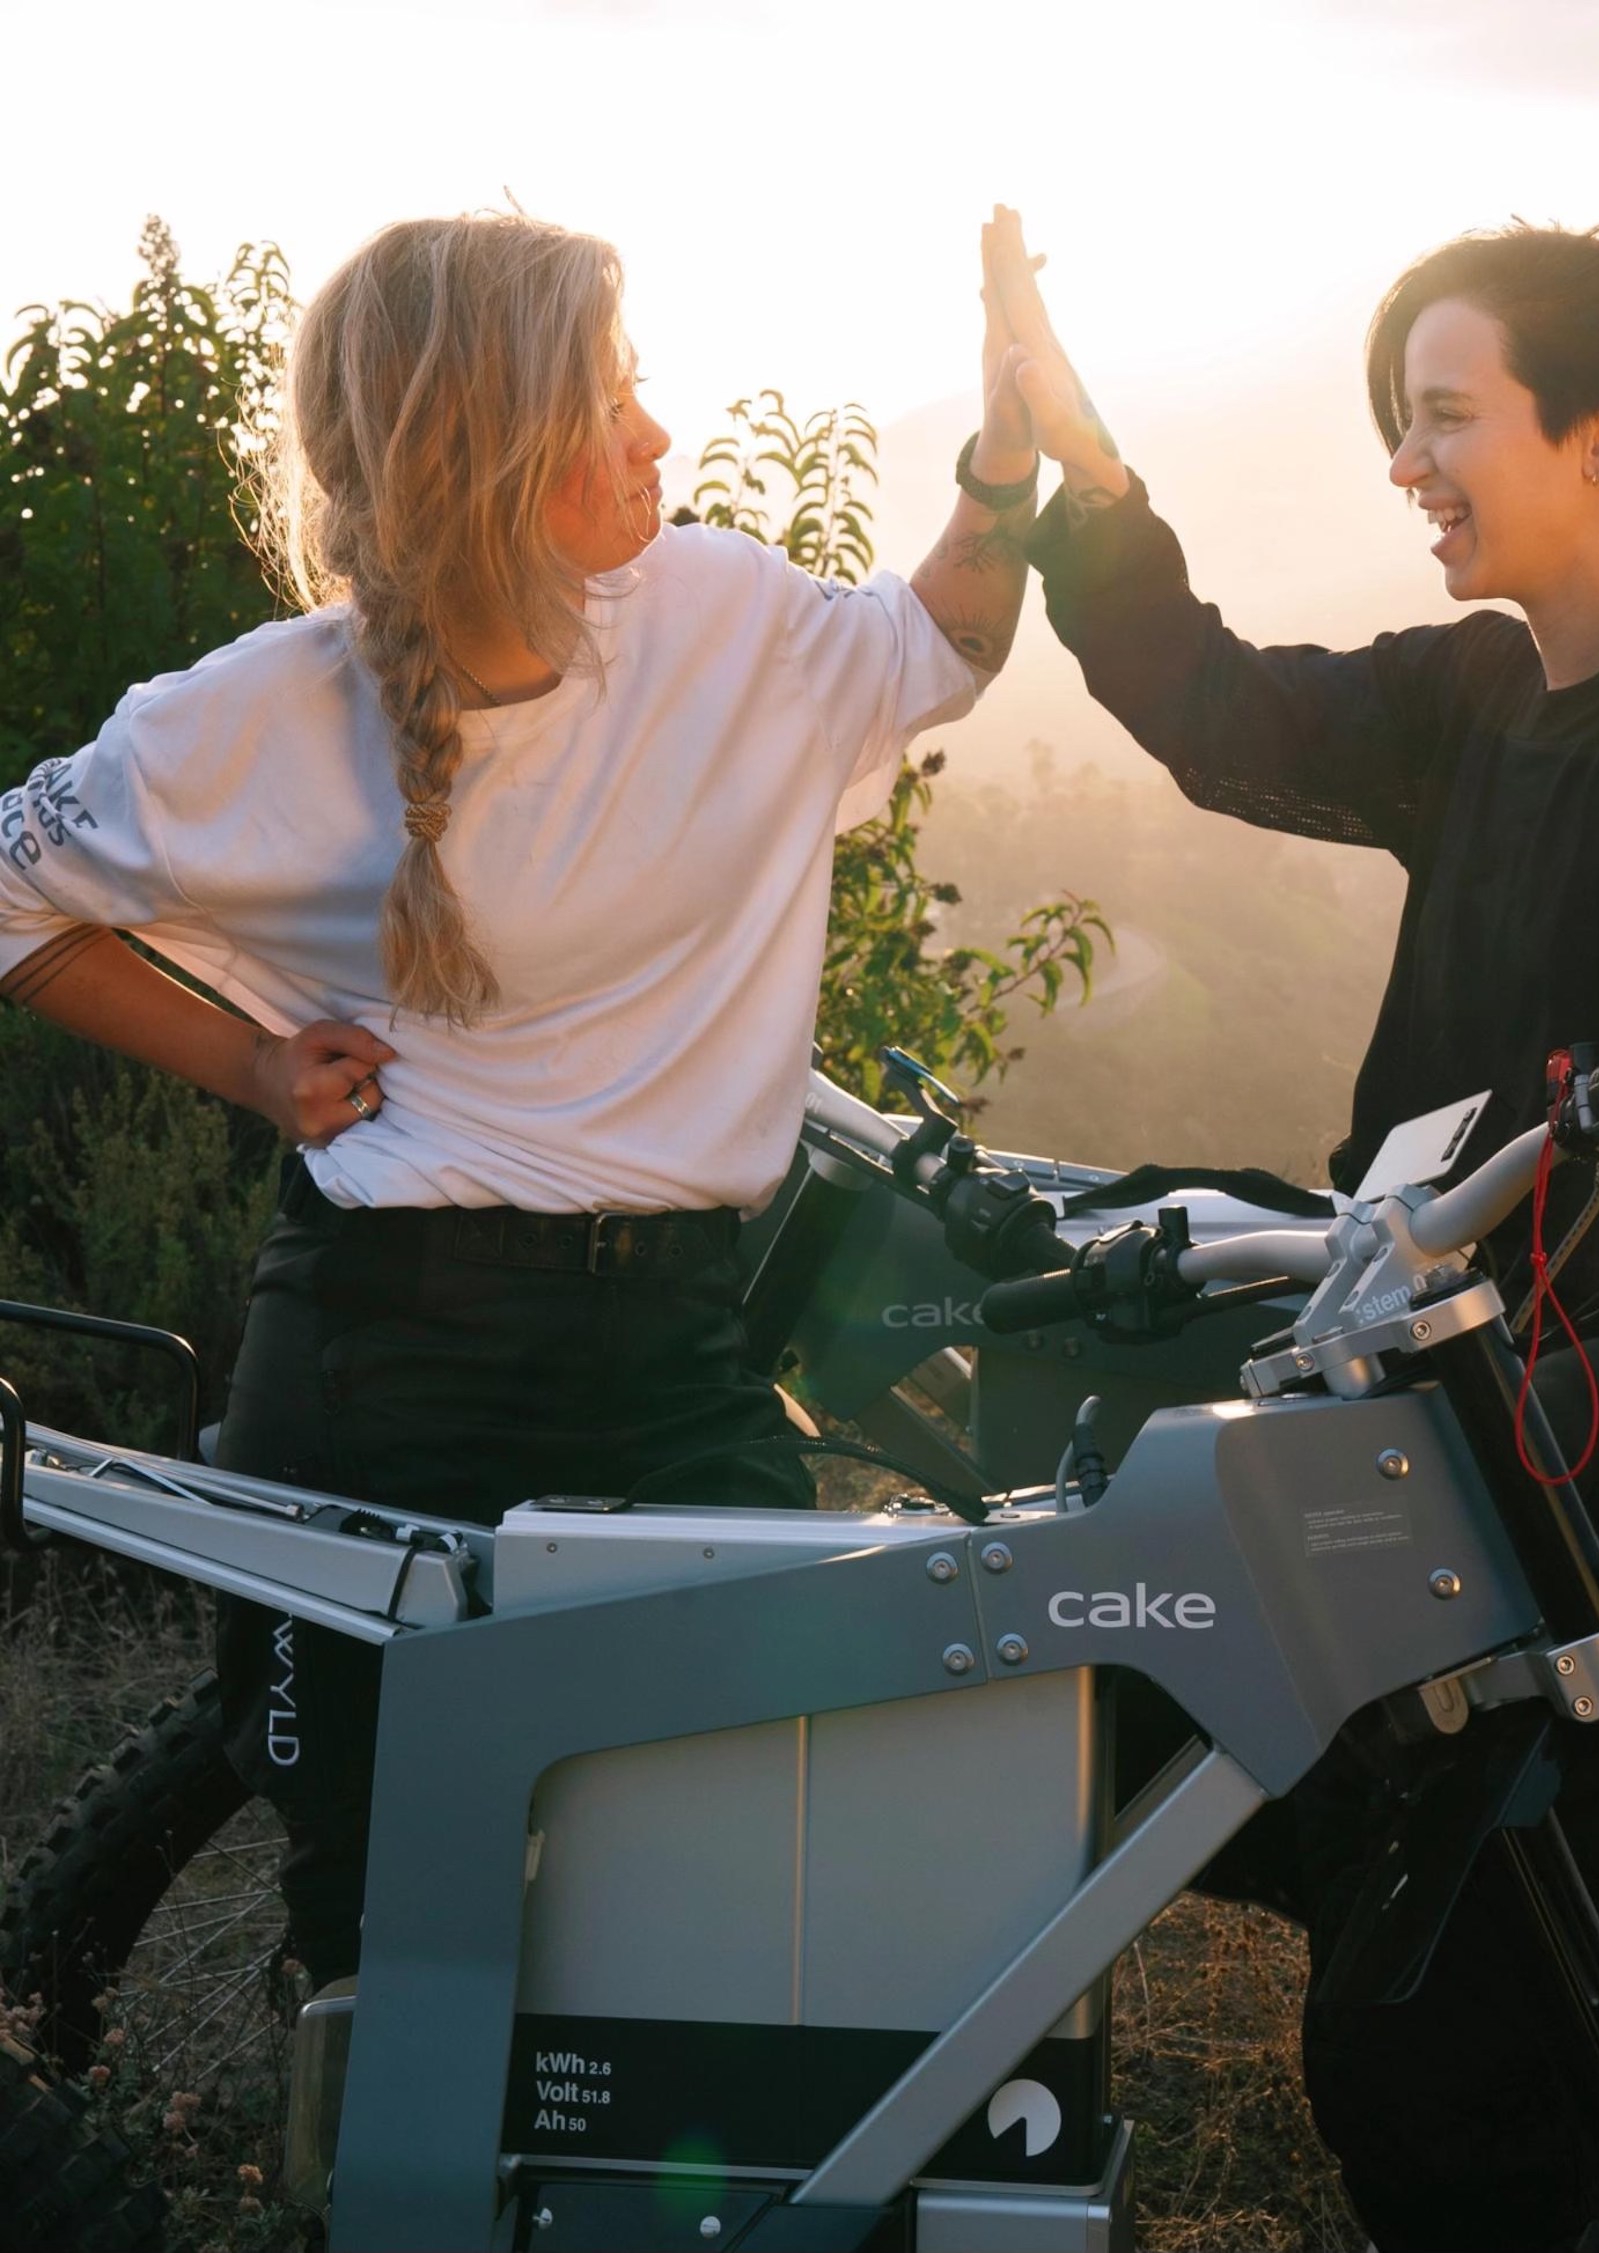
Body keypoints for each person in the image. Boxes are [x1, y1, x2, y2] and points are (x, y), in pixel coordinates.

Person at [0, 207, 1046, 1989]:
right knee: (391, 1930)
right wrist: (250, 1061)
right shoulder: (252, 716)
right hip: (383, 1358)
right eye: (613, 398)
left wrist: (1005, 451)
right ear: (488, 455)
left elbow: (944, 638)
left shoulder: (718, 613)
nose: (657, 432)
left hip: (677, 1354)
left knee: (743, 1871)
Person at [982, 210, 1599, 2247]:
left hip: (1592, 1426)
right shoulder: (1474, 694)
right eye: (1399, 422)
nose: (1406, 463)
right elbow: (1210, 698)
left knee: (1517, 2022)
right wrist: (1083, 465)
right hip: (1412, 1400)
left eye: (1447, 416)